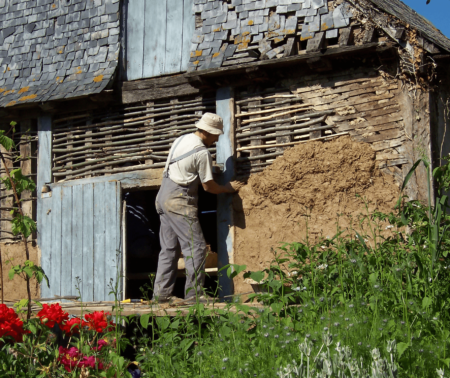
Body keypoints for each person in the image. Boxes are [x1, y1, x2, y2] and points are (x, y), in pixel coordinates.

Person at [152, 113, 244, 303]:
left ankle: (161, 295)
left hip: (163, 196)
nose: (217, 139)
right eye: (216, 135)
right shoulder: (201, 152)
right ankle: (195, 295)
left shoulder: (182, 139)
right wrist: (227, 188)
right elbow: (208, 186)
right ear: (209, 132)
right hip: (179, 199)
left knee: (169, 248)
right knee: (197, 247)